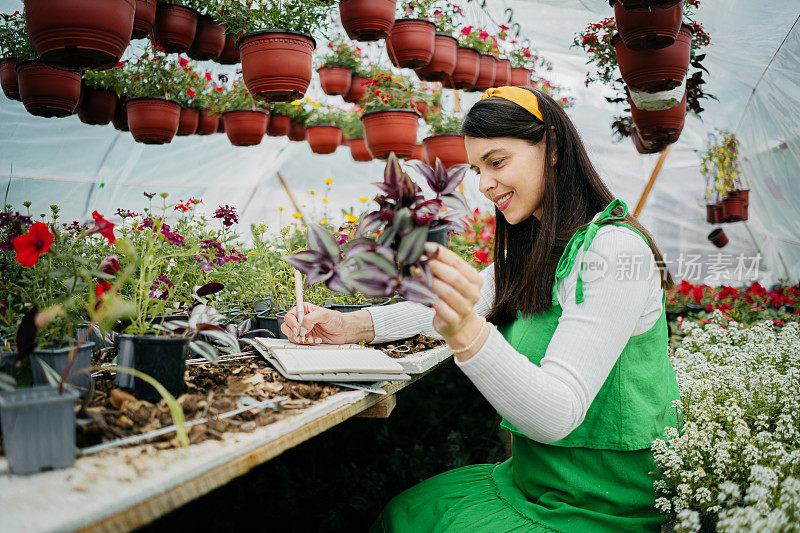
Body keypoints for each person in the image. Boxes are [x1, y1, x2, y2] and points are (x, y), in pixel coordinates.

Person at [281, 86, 681, 532]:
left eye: (497, 161)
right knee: (405, 512)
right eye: (476, 169)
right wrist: (351, 324)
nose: (484, 184)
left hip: (602, 502)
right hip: (536, 482)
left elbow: (557, 413)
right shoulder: (537, 251)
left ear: (550, 147)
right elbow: (457, 304)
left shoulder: (614, 251)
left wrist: (468, 333)